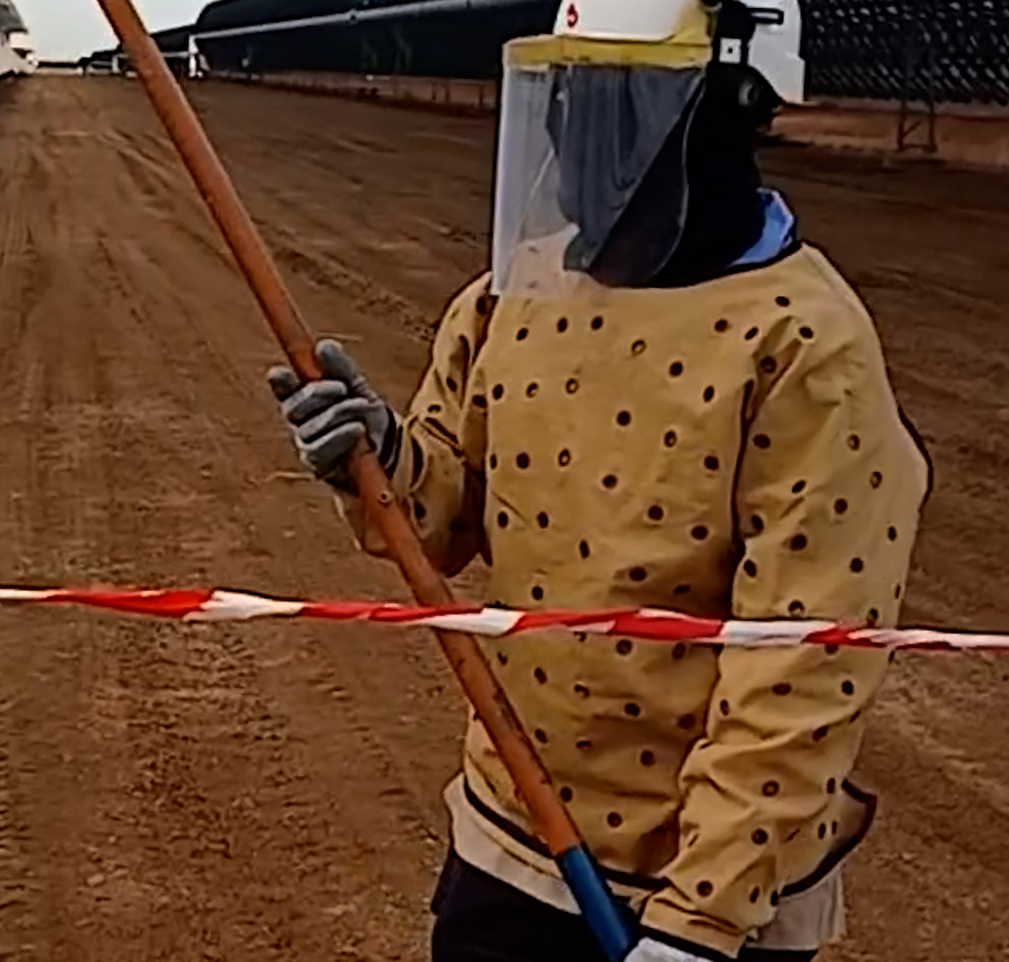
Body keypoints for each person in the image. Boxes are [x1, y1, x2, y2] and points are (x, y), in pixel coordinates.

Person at [266, 2, 932, 961]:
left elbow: (805, 660)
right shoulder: (510, 294)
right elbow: (445, 522)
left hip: (702, 901)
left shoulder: (806, 344)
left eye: (624, 111)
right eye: (568, 105)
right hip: (511, 842)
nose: (580, 154)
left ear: (724, 109)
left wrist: (701, 924)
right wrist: (380, 458)